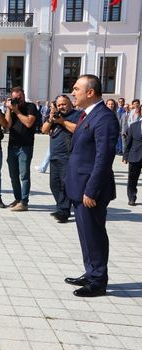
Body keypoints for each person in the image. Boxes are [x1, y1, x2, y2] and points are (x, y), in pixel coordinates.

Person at [64, 74, 119, 297]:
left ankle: (98, 281)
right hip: (80, 186)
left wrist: (91, 189)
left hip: (90, 190)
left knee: (94, 234)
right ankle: (91, 271)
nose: (72, 92)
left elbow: (104, 157)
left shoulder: (104, 118)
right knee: (85, 234)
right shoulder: (87, 115)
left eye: (77, 89)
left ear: (90, 92)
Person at [41, 95, 80, 223]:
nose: (61, 107)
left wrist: (62, 122)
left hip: (68, 156)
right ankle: (62, 208)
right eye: (59, 105)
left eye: (64, 104)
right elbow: (44, 130)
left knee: (65, 185)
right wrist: (51, 120)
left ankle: (63, 211)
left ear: (70, 104)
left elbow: (78, 130)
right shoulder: (55, 115)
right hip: (54, 155)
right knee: (54, 185)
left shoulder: (77, 115)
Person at [4, 86, 38, 211]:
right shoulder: (12, 108)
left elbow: (29, 123)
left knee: (24, 175)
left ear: (23, 95)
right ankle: (18, 198)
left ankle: (24, 202)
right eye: (14, 98)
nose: (17, 100)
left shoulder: (31, 107)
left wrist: (16, 111)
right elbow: (7, 126)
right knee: (13, 175)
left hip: (25, 146)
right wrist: (9, 109)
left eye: (19, 97)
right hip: (12, 146)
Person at [123, 115, 142, 206]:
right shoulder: (134, 126)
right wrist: (125, 156)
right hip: (135, 156)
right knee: (132, 179)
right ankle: (132, 198)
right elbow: (128, 142)